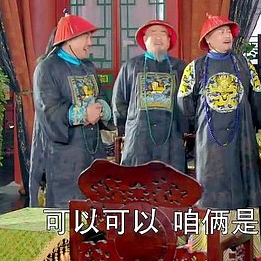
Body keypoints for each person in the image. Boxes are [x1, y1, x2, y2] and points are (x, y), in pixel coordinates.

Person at [177, 14, 261, 255]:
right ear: (208, 39)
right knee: (211, 189)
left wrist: (258, 127)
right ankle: (209, 246)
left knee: (243, 186)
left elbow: (257, 97)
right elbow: (184, 103)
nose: (227, 36)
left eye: (228, 31)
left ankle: (246, 248)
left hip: (242, 139)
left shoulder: (245, 65)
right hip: (210, 141)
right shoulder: (194, 68)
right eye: (220, 32)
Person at [29, 11, 112, 208]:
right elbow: (48, 111)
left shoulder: (88, 67)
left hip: (92, 151)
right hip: (64, 157)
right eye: (86, 37)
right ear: (69, 39)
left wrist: (102, 108)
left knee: (95, 206)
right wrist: (84, 114)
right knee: (66, 209)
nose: (90, 43)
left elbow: (99, 95)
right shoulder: (47, 68)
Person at [112, 20, 189, 171]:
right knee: (136, 179)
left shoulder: (180, 68)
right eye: (153, 33)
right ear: (144, 39)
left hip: (171, 138)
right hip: (138, 138)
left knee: (171, 179)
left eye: (163, 34)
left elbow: (187, 103)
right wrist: (126, 130)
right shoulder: (131, 66)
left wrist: (184, 130)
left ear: (169, 41)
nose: (158, 37)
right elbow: (119, 102)